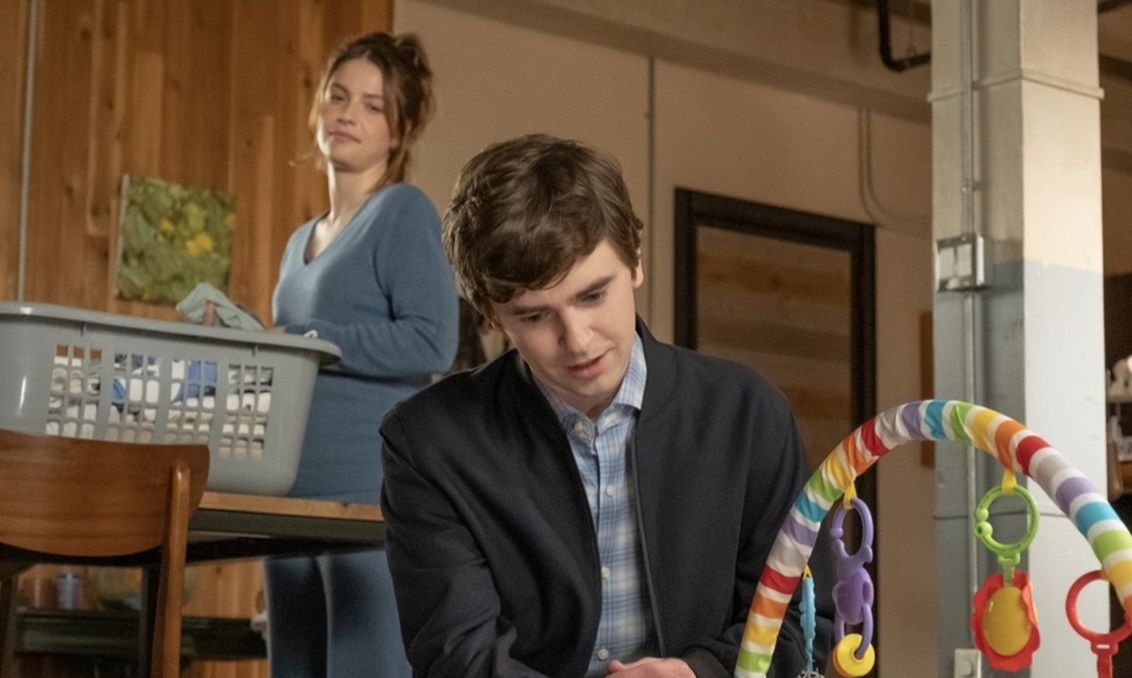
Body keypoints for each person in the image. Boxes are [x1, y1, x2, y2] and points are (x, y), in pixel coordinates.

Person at [380, 133, 832, 677]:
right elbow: (458, 658)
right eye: (534, 316)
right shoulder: (428, 443)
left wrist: (699, 673)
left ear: (635, 260)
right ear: (491, 314)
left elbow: (805, 626)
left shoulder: (748, 415)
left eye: (593, 295)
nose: (577, 340)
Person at [269, 32, 458, 677]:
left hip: (365, 496)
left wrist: (310, 338)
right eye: (338, 96)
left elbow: (433, 340)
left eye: (372, 106)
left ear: (399, 131)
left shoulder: (402, 212)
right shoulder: (299, 240)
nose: (348, 114)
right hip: (289, 499)